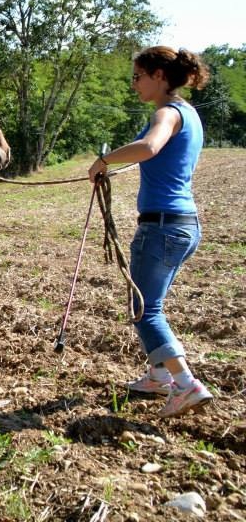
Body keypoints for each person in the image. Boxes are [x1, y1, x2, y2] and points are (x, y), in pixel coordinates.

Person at [88, 45, 212, 418]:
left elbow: (149, 146)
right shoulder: (189, 114)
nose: (134, 84)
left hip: (161, 227)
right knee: (148, 304)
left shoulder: (167, 113)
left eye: (138, 76)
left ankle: (186, 384)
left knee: (145, 310)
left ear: (159, 76)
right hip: (183, 225)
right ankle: (159, 376)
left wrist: (103, 161)